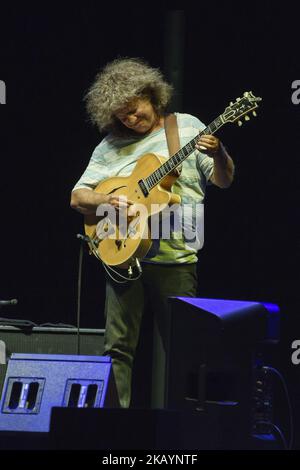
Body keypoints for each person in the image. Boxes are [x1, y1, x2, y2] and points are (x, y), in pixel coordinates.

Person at [70, 58, 235, 408]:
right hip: (122, 253)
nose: (130, 119)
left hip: (177, 257)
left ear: (151, 95)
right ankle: (114, 430)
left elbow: (223, 180)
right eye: (121, 116)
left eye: (133, 109)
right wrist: (110, 201)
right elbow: (78, 197)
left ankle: (181, 431)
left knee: (185, 351)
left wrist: (219, 153)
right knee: (117, 348)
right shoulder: (111, 145)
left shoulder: (185, 127)